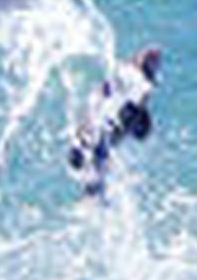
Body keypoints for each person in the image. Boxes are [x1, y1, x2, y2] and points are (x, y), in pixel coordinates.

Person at [67, 45, 162, 200]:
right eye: (152, 60)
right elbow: (141, 130)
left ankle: (90, 201)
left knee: (93, 165)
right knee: (94, 163)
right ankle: (91, 203)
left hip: (101, 128)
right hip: (103, 128)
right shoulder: (139, 82)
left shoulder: (125, 74)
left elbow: (101, 94)